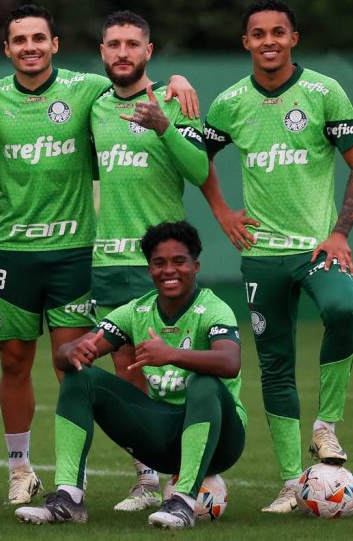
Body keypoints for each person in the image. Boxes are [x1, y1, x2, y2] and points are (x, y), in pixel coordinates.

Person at [0, 4, 198, 505]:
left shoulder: (88, 91)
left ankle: (140, 473)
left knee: (77, 366)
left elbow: (134, 78)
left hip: (77, 252)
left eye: (39, 38)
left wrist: (177, 78)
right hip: (13, 250)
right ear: (8, 48)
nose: (30, 47)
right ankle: (20, 470)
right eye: (20, 40)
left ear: (55, 44)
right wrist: (7, 179)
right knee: (13, 361)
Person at [199, 0, 353, 513]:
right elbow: (196, 159)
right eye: (258, 33)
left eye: (279, 32)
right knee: (274, 366)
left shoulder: (324, 91)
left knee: (342, 310)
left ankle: (326, 426)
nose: (268, 41)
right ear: (246, 43)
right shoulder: (230, 103)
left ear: (293, 38)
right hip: (262, 256)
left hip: (318, 247)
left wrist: (340, 233)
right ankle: (291, 483)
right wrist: (223, 213)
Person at [14, 221, 246, 530]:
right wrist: (68, 351)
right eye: (159, 263)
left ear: (196, 266)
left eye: (179, 262)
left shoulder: (214, 308)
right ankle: (69, 499)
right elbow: (75, 349)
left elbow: (230, 361)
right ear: (149, 270)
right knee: (78, 376)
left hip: (222, 439)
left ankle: (184, 503)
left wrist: (172, 354)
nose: (169, 270)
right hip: (164, 436)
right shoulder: (136, 311)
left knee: (203, 382)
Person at [89, 10, 209, 512]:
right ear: (102, 53)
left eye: (132, 44)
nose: (122, 52)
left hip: (161, 263)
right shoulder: (92, 105)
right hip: (109, 258)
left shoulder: (175, 101)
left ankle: (189, 472)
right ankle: (145, 476)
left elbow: (200, 168)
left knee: (171, 369)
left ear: (149, 52)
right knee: (126, 368)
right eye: (113, 44)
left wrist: (165, 127)